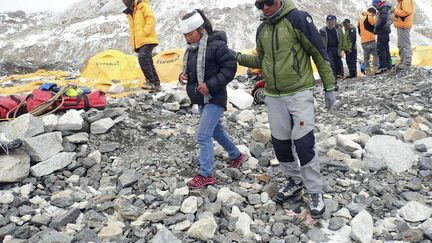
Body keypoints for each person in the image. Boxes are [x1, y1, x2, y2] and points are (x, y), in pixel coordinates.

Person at [236, 0, 336, 219]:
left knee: (303, 142)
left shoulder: (298, 18)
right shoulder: (262, 28)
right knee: (280, 143)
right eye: (259, 5)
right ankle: (295, 180)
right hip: (274, 95)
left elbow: (318, 52)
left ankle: (315, 190)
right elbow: (261, 60)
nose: (265, 8)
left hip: (299, 91)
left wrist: (329, 86)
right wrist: (237, 57)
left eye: (268, 2)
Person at [178, 9, 248, 189]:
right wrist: (183, 76)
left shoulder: (216, 45)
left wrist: (210, 85)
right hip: (202, 99)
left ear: (200, 29)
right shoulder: (192, 50)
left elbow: (230, 68)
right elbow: (193, 73)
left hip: (215, 97)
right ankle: (236, 155)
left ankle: (206, 175)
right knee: (216, 131)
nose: (187, 38)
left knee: (203, 135)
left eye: (190, 34)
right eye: (185, 35)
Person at [122, 0, 161, 92]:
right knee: (148, 60)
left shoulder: (143, 5)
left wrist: (145, 32)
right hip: (141, 41)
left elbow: (151, 18)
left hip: (147, 39)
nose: (125, 2)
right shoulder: (132, 12)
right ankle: (156, 84)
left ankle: (150, 82)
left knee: (142, 58)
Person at [319, 15, 350, 82]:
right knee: (331, 63)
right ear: (326, 22)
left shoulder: (338, 29)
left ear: (335, 22)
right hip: (328, 49)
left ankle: (340, 75)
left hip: (337, 48)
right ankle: (334, 77)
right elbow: (320, 42)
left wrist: (342, 50)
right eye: (329, 22)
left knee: (338, 62)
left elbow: (343, 39)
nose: (331, 24)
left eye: (333, 22)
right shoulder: (322, 31)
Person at [372, 0, 393, 73]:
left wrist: (377, 27)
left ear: (378, 3)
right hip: (385, 31)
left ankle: (383, 67)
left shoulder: (383, 8)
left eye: (375, 5)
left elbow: (383, 20)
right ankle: (388, 66)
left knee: (381, 49)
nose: (375, 7)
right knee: (386, 49)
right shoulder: (385, 8)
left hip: (382, 31)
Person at [392, 0, 414, 68]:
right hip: (401, 25)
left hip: (404, 25)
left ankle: (406, 62)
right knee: (401, 44)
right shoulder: (401, 2)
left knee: (405, 44)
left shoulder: (406, 1)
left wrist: (394, 10)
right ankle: (403, 61)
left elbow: (406, 12)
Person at [358, 7, 379, 76]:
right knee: (375, 55)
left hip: (363, 41)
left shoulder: (360, 20)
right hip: (370, 39)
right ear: (371, 12)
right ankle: (375, 69)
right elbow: (375, 25)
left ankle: (368, 71)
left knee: (366, 57)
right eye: (374, 14)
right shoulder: (369, 17)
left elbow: (359, 31)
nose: (373, 16)